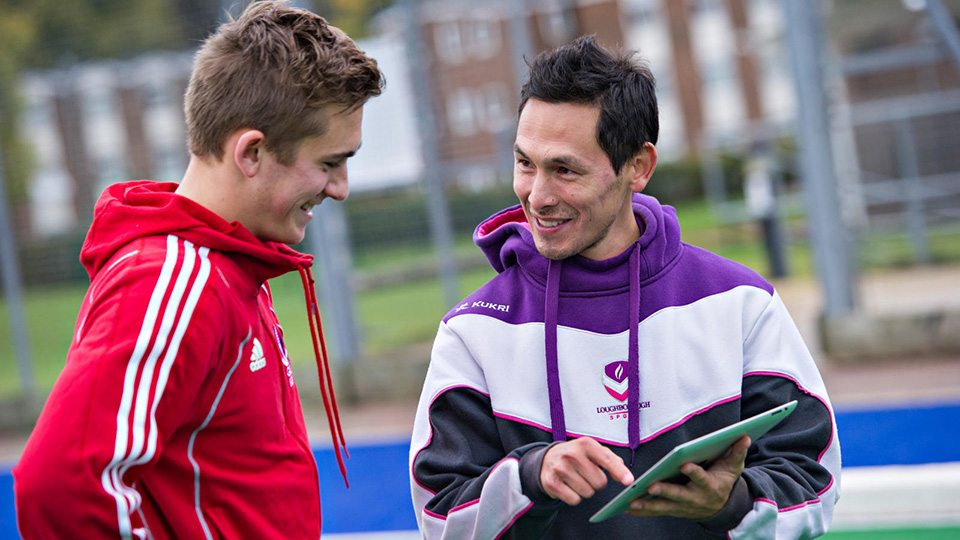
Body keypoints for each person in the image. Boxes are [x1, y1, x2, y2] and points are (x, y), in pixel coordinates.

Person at [409, 35, 840, 539]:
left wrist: (733, 503)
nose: (538, 195)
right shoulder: (475, 330)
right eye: (526, 163)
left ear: (638, 167)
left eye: (565, 169)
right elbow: (441, 522)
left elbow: (814, 484)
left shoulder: (740, 303)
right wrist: (531, 476)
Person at [14, 2, 383, 538]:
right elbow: (61, 485)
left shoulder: (228, 266)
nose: (340, 187)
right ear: (251, 152)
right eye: (329, 162)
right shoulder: (174, 281)